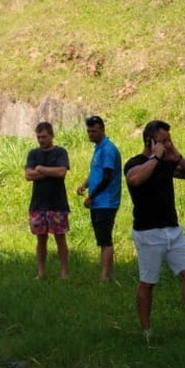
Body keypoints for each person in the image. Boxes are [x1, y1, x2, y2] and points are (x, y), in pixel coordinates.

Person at [124, 120, 185, 339]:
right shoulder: (135, 163)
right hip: (148, 233)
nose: (167, 144)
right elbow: (136, 179)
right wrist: (155, 157)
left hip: (173, 230)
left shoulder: (167, 163)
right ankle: (146, 329)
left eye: (169, 140)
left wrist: (177, 157)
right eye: (162, 141)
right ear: (150, 141)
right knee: (148, 282)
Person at [75, 116, 122, 282]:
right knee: (103, 239)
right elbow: (97, 171)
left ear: (103, 130)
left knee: (105, 240)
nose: (90, 134)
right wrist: (85, 185)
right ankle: (109, 275)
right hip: (99, 202)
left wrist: (92, 196)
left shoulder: (108, 149)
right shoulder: (99, 148)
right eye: (88, 131)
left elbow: (107, 176)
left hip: (106, 201)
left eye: (94, 131)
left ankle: (104, 278)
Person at [24, 121, 70, 279]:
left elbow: (62, 172)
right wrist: (51, 171)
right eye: (38, 137)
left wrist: (41, 169)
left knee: (60, 238)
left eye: (44, 136)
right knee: (40, 239)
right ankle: (41, 272)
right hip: (38, 204)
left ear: (51, 136)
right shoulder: (33, 154)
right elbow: (28, 175)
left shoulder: (60, 152)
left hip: (57, 203)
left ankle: (64, 272)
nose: (41, 140)